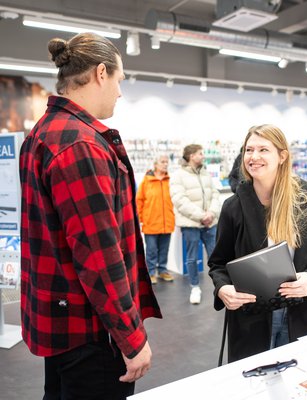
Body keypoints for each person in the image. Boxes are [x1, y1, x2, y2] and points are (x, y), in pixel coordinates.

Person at [19, 33, 161, 400]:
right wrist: (131, 337)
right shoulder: (80, 144)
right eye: (119, 79)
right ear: (101, 73)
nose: (120, 92)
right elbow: (99, 255)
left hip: (64, 322)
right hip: (91, 331)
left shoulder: (44, 133)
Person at [208, 124, 307, 363]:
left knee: (303, 375)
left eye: (263, 150)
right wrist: (223, 288)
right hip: (252, 320)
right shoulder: (233, 207)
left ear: (282, 156)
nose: (254, 156)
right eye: (249, 150)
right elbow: (219, 263)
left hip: (304, 312)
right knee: (255, 377)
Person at [170, 144, 221, 304]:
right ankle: (195, 287)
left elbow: (215, 194)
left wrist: (211, 213)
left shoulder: (205, 173)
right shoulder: (178, 175)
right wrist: (201, 216)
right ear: (191, 156)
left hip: (210, 223)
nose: (203, 156)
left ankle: (220, 286)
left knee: (215, 256)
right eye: (200, 153)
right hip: (191, 224)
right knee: (192, 258)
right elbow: (180, 200)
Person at [136, 154, 175, 285]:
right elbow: (139, 201)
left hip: (167, 222)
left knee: (164, 249)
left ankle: (162, 270)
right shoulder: (146, 181)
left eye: (167, 162)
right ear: (155, 164)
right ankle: (151, 272)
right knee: (151, 250)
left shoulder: (170, 181)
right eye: (162, 162)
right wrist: (140, 219)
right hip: (151, 223)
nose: (165, 164)